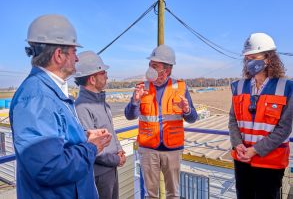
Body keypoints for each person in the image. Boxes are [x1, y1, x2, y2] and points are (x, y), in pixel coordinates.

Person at [9, 14, 112, 199]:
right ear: (58, 55)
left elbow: (58, 138)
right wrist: (91, 147)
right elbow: (48, 167)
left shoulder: (47, 92)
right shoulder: (36, 98)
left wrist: (85, 136)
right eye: (73, 52)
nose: (77, 59)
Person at [229, 32, 293, 199]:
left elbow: (284, 129)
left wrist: (255, 150)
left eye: (254, 56)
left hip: (270, 163)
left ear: (268, 58)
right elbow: (233, 120)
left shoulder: (286, 88)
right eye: (246, 57)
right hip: (242, 160)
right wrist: (237, 143)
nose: (249, 61)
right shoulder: (238, 87)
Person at [125, 44, 198, 199]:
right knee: (150, 195)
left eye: (155, 66)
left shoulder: (180, 87)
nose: (150, 69)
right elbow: (129, 116)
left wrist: (187, 110)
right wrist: (135, 102)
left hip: (172, 150)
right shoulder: (141, 87)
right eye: (150, 65)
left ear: (167, 70)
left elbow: (193, 118)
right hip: (148, 149)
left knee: (173, 194)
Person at [74, 51, 126, 199]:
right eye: (103, 73)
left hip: (111, 169)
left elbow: (111, 132)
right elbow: (91, 147)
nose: (107, 76)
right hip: (99, 175)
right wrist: (117, 159)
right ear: (92, 79)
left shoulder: (102, 103)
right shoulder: (82, 107)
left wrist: (120, 150)